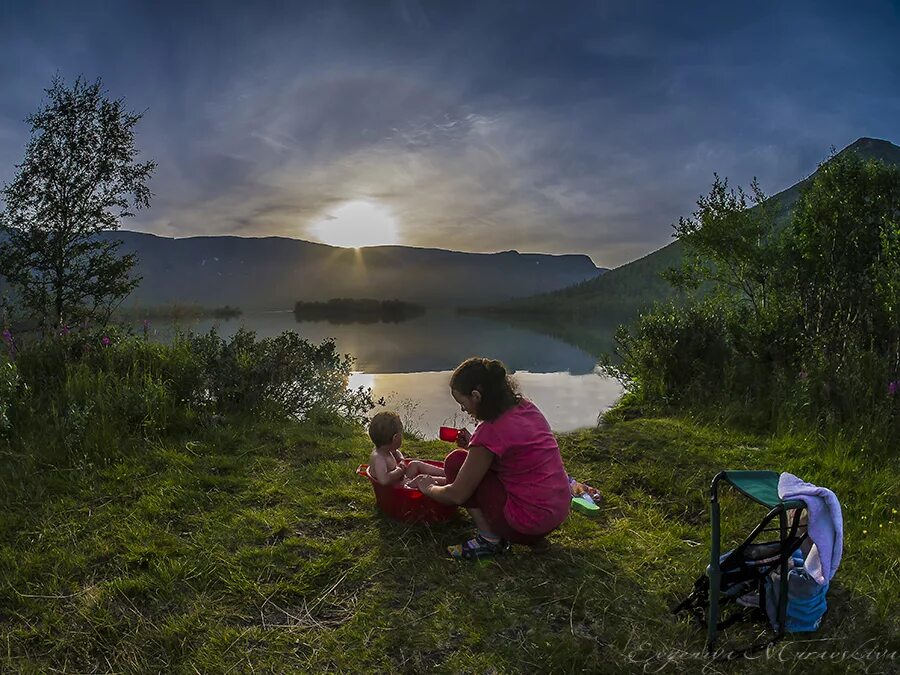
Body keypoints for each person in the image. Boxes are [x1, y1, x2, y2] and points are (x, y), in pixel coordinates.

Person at [413, 358, 571, 559]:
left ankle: (489, 540)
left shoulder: (489, 431)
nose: (463, 410)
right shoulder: (526, 407)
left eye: (463, 403)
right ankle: (534, 538)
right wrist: (475, 445)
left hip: (526, 524)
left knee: (456, 462)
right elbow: (515, 455)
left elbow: (456, 495)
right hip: (555, 513)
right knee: (470, 462)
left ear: (476, 396)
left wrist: (427, 487)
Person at [367, 411, 446, 486]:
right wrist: (399, 471)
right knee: (420, 479)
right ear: (395, 438)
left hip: (402, 481)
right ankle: (447, 481)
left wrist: (401, 459)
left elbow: (397, 452)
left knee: (414, 464)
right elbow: (384, 480)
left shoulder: (385, 450)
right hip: (397, 490)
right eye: (401, 435)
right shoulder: (379, 458)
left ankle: (446, 472)